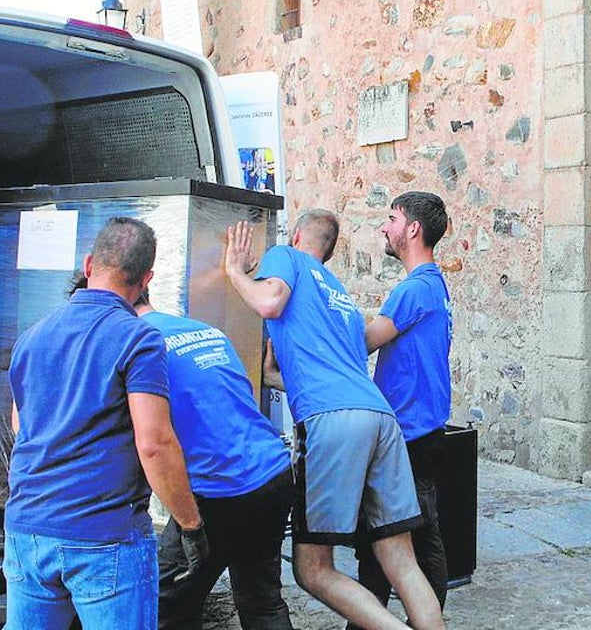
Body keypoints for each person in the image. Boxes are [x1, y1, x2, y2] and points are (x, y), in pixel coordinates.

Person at [223, 210, 445, 630]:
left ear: (298, 235)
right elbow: (329, 372)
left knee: (312, 570)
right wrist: (273, 372)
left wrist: (236, 271)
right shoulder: (339, 295)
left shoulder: (284, 257)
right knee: (402, 561)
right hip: (379, 417)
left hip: (333, 422)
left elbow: (268, 302)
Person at [4, 217, 208, 629]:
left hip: (28, 529)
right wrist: (191, 525)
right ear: (147, 278)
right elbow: (154, 443)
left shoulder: (33, 336)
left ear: (89, 263)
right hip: (103, 536)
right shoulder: (138, 337)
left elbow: (21, 429)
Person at [135, 288, 295, 630]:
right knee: (262, 601)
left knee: (163, 607)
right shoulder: (203, 330)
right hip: (272, 472)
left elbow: (152, 442)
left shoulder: (136, 345)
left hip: (220, 490)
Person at [350, 192, 454, 630]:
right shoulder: (434, 284)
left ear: (413, 228)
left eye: (391, 218)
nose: (384, 227)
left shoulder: (413, 290)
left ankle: (418, 621)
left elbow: (367, 340)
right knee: (400, 534)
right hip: (420, 429)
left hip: (408, 433)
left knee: (407, 535)